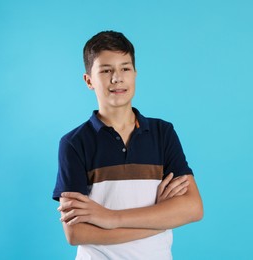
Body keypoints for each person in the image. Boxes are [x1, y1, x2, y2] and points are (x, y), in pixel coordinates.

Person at [52, 30, 203, 260]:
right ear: (89, 80)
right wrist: (158, 220)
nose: (117, 78)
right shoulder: (74, 143)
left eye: (125, 68)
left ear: (135, 74)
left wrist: (110, 218)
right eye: (106, 70)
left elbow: (193, 208)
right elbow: (76, 233)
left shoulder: (162, 133)